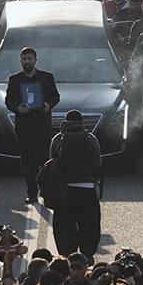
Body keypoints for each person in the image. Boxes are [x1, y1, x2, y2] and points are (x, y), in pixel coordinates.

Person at [5, 48, 60, 205]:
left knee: (44, 159)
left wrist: (48, 105)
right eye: (24, 59)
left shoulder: (46, 77)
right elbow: (9, 101)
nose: (26, 61)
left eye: (29, 58)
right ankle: (32, 193)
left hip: (42, 125)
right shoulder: (15, 79)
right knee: (28, 162)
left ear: (36, 60)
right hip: (24, 127)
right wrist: (17, 108)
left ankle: (46, 191)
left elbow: (55, 96)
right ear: (20, 60)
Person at [47, 110, 102, 257]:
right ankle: (88, 256)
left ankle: (67, 258)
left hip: (64, 192)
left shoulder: (58, 139)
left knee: (64, 228)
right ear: (82, 122)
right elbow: (97, 163)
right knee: (89, 227)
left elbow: (52, 163)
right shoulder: (91, 138)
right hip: (87, 191)